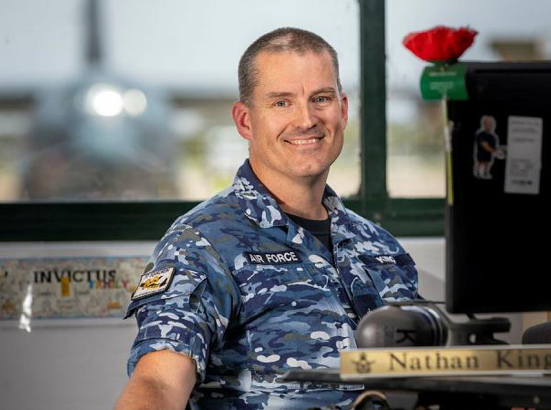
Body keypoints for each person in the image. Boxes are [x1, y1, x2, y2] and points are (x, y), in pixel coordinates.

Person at [115, 27, 419, 410]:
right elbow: (158, 382)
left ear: (342, 110)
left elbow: (429, 373)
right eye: (281, 103)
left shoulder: (380, 247)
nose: (306, 119)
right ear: (244, 121)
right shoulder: (202, 244)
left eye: (320, 99)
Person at [473, 115, 504, 179]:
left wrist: (500, 151)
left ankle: (486, 173)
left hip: (489, 156)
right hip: (481, 155)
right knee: (481, 165)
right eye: (487, 122)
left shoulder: (493, 137)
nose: (489, 124)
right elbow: (485, 146)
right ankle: (478, 174)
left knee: (487, 165)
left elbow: (495, 147)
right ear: (484, 124)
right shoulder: (481, 134)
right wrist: (495, 151)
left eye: (490, 123)